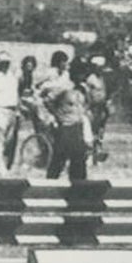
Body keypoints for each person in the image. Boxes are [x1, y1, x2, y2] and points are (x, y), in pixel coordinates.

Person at [40, 51, 90, 180]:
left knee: (79, 162)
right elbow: (46, 102)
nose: (82, 76)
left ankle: (78, 188)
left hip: (78, 128)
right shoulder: (63, 87)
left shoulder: (83, 89)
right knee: (59, 160)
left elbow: (85, 105)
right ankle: (50, 185)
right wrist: (55, 116)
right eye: (79, 73)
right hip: (65, 128)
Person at [85, 56, 110, 163]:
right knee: (92, 130)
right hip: (93, 107)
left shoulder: (101, 78)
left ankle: (97, 152)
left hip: (101, 107)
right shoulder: (91, 79)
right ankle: (90, 154)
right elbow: (88, 93)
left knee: (100, 130)